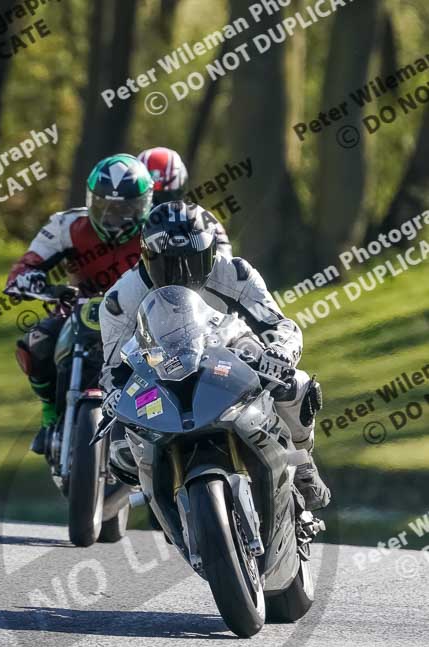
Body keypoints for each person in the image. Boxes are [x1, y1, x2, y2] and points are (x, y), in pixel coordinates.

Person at [99, 201, 331, 511]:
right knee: (119, 448)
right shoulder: (120, 299)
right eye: (169, 262)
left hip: (231, 356)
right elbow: (112, 367)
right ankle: (161, 497)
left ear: (211, 252)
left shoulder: (235, 273)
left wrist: (279, 351)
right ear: (147, 257)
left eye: (193, 260)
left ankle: (302, 465)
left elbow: (278, 324)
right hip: (157, 373)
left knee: (295, 385)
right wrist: (113, 394)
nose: (182, 272)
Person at [4, 153, 154, 454]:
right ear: (91, 200)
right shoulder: (66, 225)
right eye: (105, 207)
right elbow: (24, 268)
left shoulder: (156, 229)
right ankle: (50, 417)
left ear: (144, 205)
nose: (114, 218)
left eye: (126, 210)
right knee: (35, 345)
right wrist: (46, 287)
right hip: (79, 310)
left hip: (142, 316)